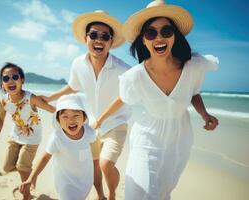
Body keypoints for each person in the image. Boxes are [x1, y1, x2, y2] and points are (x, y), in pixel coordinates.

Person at [92, 0, 219, 199]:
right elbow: (122, 99)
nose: (159, 37)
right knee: (141, 190)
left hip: (180, 137)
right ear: (143, 40)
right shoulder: (135, 76)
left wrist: (204, 114)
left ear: (174, 36)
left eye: (166, 31)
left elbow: (193, 91)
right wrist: (99, 119)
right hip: (147, 135)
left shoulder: (194, 65)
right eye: (151, 33)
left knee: (162, 190)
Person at [41, 10, 131, 200]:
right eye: (94, 35)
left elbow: (124, 97)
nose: (99, 40)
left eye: (105, 36)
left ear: (111, 41)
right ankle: (100, 195)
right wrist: (50, 98)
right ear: (85, 38)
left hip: (116, 123)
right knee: (94, 163)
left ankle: (112, 194)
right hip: (92, 125)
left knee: (106, 164)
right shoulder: (78, 64)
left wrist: (101, 118)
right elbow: (73, 87)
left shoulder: (123, 69)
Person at [0, 63, 55, 200]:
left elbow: (53, 110)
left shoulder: (31, 98)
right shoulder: (4, 101)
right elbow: (1, 117)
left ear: (22, 80)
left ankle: (27, 195)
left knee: (22, 165)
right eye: (6, 79)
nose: (10, 81)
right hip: (15, 135)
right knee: (7, 167)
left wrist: (71, 116)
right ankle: (29, 174)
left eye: (15, 77)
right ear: (2, 84)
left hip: (32, 138)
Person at [20, 94, 96, 200]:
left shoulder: (89, 133)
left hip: (84, 178)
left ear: (84, 118)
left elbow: (95, 154)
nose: (71, 120)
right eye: (65, 116)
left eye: (76, 115)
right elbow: (45, 158)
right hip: (65, 180)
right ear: (58, 120)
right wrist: (31, 178)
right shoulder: (57, 138)